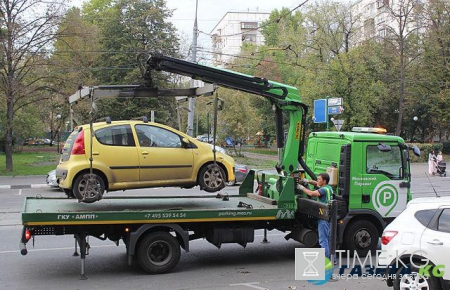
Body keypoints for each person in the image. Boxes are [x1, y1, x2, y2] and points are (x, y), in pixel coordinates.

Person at [298, 173, 333, 260]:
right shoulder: (329, 188)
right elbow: (316, 183)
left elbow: (311, 193)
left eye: (319, 179)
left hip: (323, 217)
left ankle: (326, 260)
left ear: (324, 181)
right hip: (328, 217)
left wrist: (301, 187)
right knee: (328, 240)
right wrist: (307, 181)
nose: (317, 181)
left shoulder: (323, 190)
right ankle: (333, 259)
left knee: (323, 241)